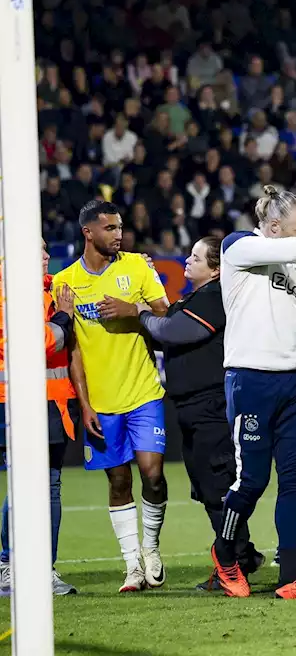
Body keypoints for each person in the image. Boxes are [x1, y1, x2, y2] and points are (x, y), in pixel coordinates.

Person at [211, 185, 296, 599]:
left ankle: (290, 577)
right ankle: (224, 552)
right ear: (275, 226)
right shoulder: (238, 246)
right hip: (251, 378)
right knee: (253, 480)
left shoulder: (295, 255)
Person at [54, 200, 171, 593]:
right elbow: (71, 350)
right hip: (100, 402)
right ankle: (132, 565)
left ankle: (152, 547)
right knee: (118, 480)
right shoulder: (65, 283)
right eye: (110, 228)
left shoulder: (137, 267)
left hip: (143, 392)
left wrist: (133, 308)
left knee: (153, 474)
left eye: (120, 227)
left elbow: (166, 317)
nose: (118, 234)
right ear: (89, 232)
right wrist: (84, 404)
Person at [134, 237, 263, 583]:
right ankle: (241, 554)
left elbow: (173, 330)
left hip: (212, 403)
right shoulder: (195, 298)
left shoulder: (216, 295)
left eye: (195, 257)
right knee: (210, 488)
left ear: (217, 268)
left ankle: (233, 561)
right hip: (192, 405)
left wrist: (138, 313)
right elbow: (164, 330)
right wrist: (145, 279)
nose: (187, 261)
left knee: (218, 484)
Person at [0, 241, 80, 596]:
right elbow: (37, 340)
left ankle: (31, 568)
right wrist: (63, 319)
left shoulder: (51, 289)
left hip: (53, 406)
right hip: (17, 403)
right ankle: (14, 566)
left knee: (46, 486)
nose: (47, 256)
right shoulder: (9, 293)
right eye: (38, 250)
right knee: (32, 486)